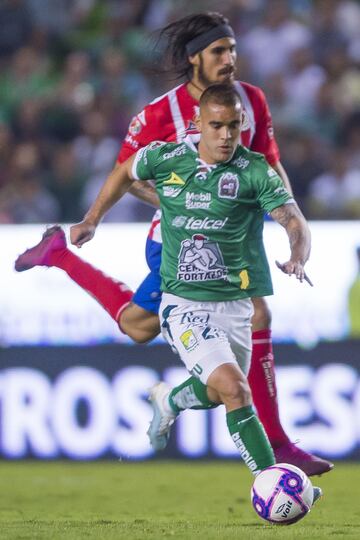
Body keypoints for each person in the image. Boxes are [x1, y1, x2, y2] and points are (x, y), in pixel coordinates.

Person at [15, 12, 332, 475]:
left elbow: (270, 164)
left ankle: (58, 254)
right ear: (194, 58)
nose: (230, 60)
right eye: (219, 51)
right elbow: (126, 174)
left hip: (234, 237)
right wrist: (184, 201)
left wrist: (289, 212)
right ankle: (276, 444)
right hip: (176, 240)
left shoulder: (251, 101)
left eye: (233, 50)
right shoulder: (158, 115)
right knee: (249, 311)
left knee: (139, 327)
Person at [52, 83, 323, 507]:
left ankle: (171, 398)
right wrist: (91, 220)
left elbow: (294, 220)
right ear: (197, 125)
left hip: (235, 305)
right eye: (216, 125)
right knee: (235, 389)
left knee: (217, 393)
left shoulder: (254, 171)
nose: (225, 136)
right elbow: (125, 170)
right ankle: (274, 483)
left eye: (234, 126)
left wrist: (298, 256)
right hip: (183, 305)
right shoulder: (166, 157)